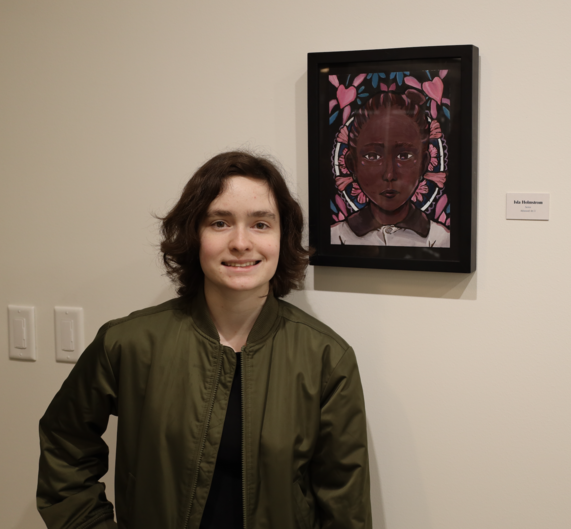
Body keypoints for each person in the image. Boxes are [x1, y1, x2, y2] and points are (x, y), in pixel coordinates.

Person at [37, 151, 372, 528]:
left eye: (261, 224)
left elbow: (346, 508)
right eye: (220, 223)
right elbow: (64, 444)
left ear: (284, 237)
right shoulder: (128, 344)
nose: (241, 242)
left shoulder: (327, 359)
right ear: (194, 235)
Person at [330, 90, 450, 247]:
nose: (389, 174)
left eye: (404, 156)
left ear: (424, 163)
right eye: (372, 156)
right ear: (352, 164)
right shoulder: (337, 237)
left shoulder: (439, 240)